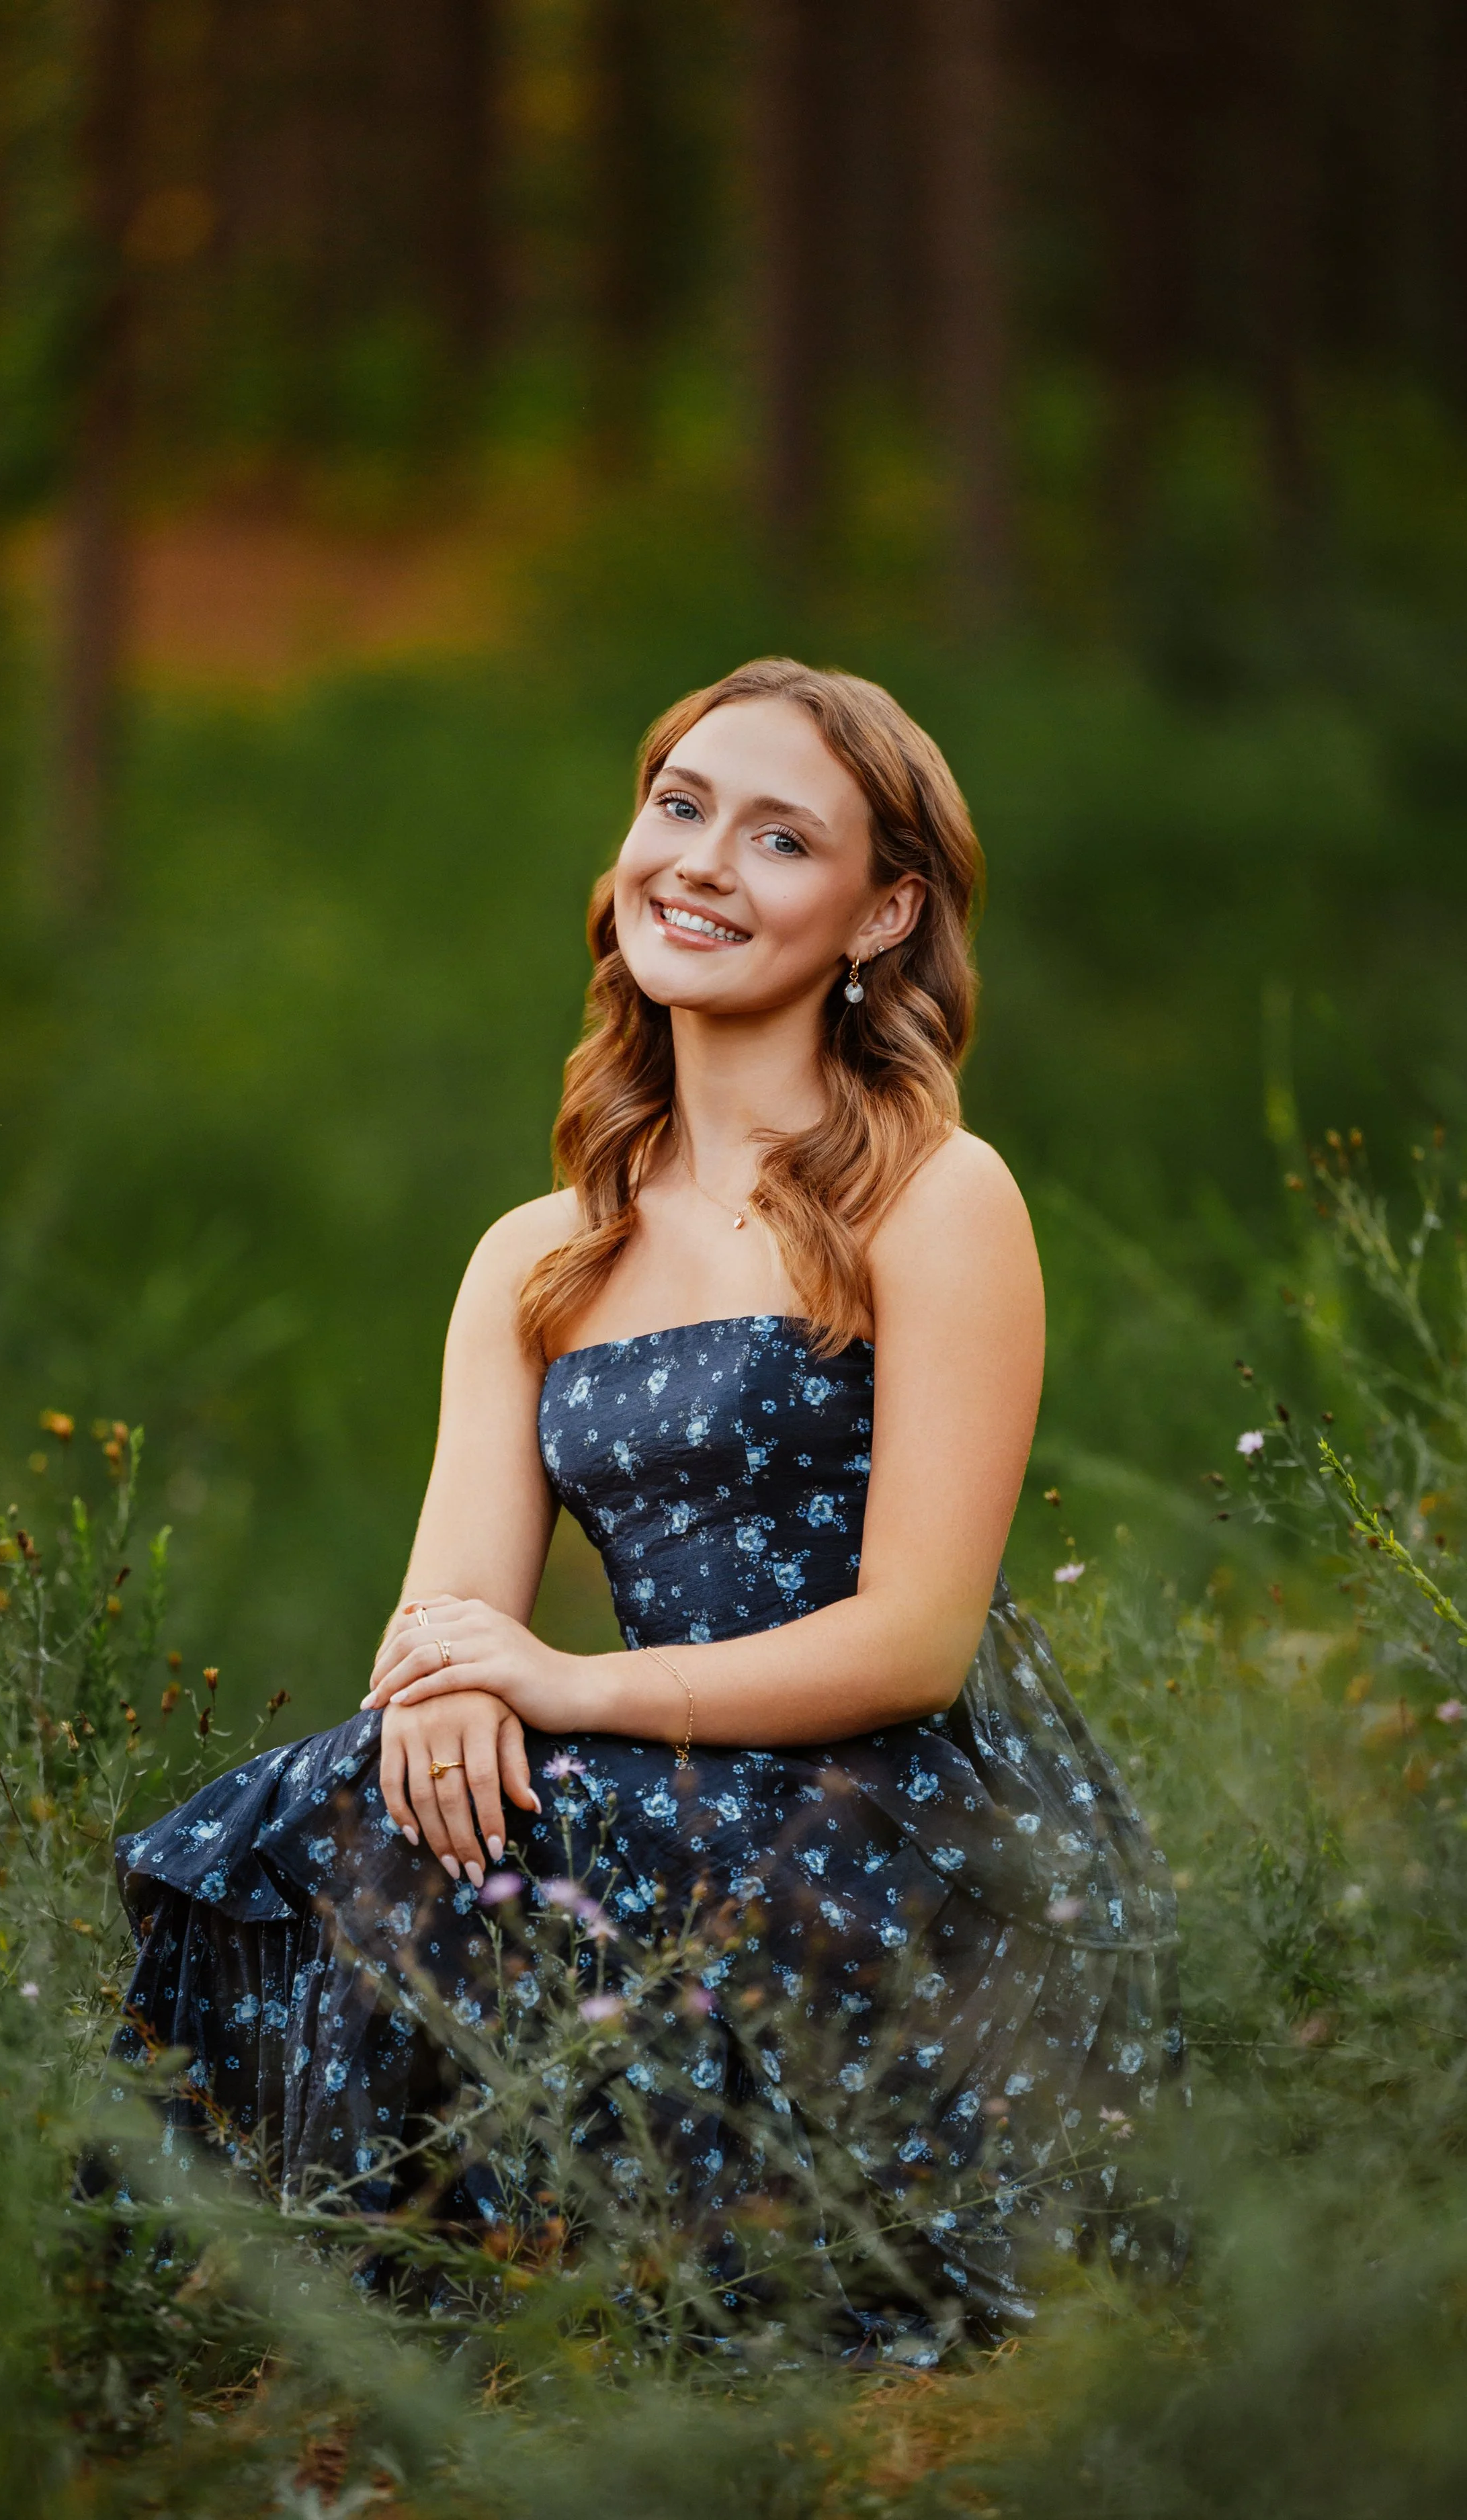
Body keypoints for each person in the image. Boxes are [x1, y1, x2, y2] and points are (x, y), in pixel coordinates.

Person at [114, 657, 1181, 2351]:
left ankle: (572, 2294)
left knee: (541, 1810)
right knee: (355, 1800)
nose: (699, 862)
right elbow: (444, 1630)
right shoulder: (533, 1256)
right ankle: (346, 2309)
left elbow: (914, 1644)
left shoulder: (933, 1196)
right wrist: (455, 1689)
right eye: (679, 808)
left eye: (778, 839)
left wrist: (556, 1684)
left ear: (882, 914)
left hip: (893, 1816)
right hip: (653, 1778)